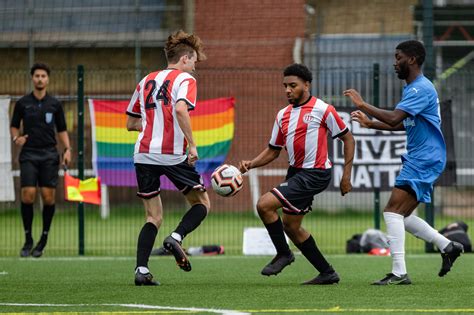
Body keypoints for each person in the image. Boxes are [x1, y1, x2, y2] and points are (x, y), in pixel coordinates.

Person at [344, 40, 463, 285]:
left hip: (424, 158)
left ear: (411, 59)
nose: (394, 62)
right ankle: (448, 245)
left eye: (398, 57)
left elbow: (396, 116)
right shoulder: (412, 89)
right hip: (424, 157)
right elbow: (401, 124)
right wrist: (370, 123)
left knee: (391, 211)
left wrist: (363, 104)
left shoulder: (420, 88)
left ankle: (399, 273)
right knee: (404, 216)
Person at [239, 63, 355, 285]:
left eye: (293, 85)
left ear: (306, 85)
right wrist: (251, 164)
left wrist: (346, 175)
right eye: (285, 86)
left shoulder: (323, 109)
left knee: (264, 205)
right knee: (291, 226)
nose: (287, 90)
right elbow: (273, 150)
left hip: (316, 173)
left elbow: (348, 138)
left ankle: (284, 254)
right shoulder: (282, 115)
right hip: (296, 173)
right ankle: (327, 272)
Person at [126, 30, 209, 286]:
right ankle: (176, 237)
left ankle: (141, 270)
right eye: (194, 61)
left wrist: (153, 125)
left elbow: (131, 123)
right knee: (202, 203)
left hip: (143, 154)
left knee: (153, 217)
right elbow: (181, 109)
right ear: (185, 59)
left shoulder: (146, 80)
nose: (195, 67)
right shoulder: (185, 79)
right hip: (172, 154)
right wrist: (192, 145)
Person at [10, 63, 72, 258]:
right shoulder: (22, 103)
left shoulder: (54, 104)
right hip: (28, 154)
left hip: (49, 155)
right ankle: (28, 239)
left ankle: (43, 239)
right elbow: (13, 126)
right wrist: (16, 138)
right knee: (27, 194)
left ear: (48, 79)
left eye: (43, 76)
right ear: (32, 78)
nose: (40, 79)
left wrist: (67, 149)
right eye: (37, 75)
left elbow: (61, 130)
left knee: (48, 197)